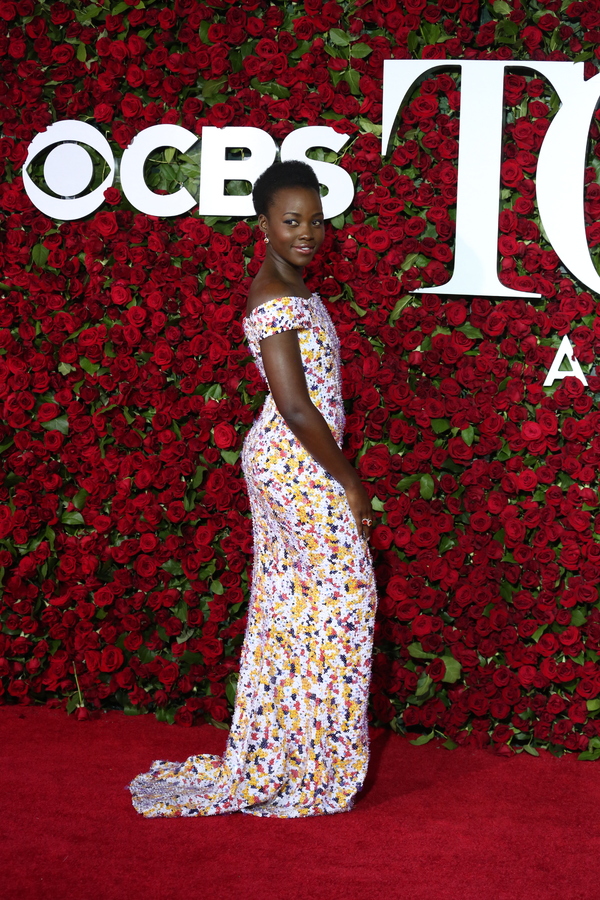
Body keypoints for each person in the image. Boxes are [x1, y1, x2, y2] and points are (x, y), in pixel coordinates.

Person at [128, 160, 377, 818]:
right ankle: (311, 761)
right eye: (291, 221)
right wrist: (349, 481)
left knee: (302, 611)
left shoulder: (292, 286)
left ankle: (297, 751)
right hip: (298, 462)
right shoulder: (272, 296)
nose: (307, 233)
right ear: (263, 224)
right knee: (344, 605)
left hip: (295, 459)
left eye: (315, 221)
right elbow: (296, 407)